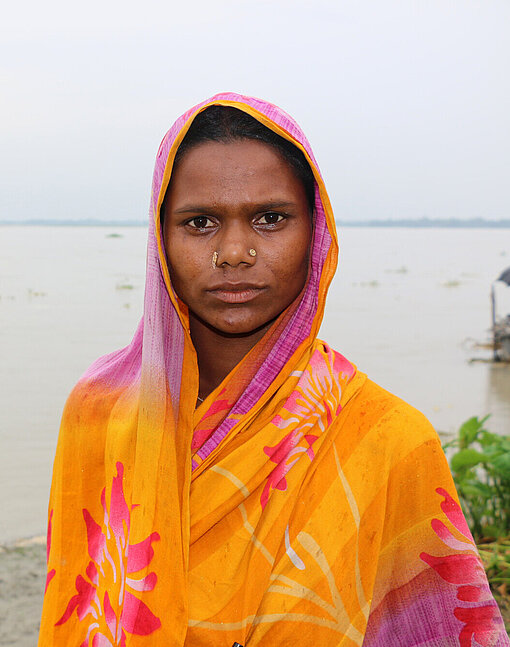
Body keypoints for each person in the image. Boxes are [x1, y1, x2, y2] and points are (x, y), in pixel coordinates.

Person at [38, 93, 509, 646]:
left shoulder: (388, 443)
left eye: (270, 219)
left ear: (316, 233)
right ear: (160, 239)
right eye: (200, 222)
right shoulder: (100, 415)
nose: (234, 251)